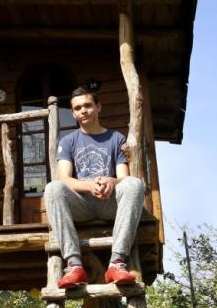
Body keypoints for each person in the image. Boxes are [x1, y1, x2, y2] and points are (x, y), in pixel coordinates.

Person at [43, 86, 145, 288]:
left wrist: (112, 181)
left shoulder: (116, 138)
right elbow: (64, 178)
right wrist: (89, 186)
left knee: (134, 184)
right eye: (77, 108)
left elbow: (123, 177)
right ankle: (74, 265)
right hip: (80, 205)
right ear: (73, 113)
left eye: (87, 105)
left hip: (109, 204)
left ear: (98, 107)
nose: (83, 110)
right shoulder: (68, 141)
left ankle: (117, 262)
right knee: (53, 188)